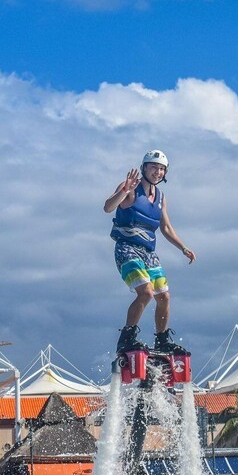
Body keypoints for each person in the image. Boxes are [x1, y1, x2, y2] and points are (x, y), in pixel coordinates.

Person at [104, 150, 196, 356]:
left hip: (148, 252)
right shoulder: (131, 188)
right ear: (144, 167)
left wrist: (183, 247)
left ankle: (162, 339)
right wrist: (123, 191)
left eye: (162, 168)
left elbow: (166, 228)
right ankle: (127, 337)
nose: (158, 171)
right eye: (154, 167)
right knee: (145, 292)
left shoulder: (161, 197)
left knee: (164, 296)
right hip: (127, 248)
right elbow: (108, 207)